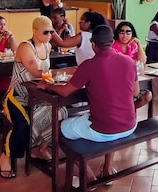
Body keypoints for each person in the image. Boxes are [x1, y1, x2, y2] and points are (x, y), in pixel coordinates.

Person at [52, 25, 148, 183]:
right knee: (106, 117)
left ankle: (87, 174)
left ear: (93, 44)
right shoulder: (129, 62)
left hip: (103, 130)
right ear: (112, 42)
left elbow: (64, 92)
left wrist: (47, 86)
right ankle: (107, 168)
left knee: (58, 128)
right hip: (129, 125)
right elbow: (135, 93)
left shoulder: (89, 65)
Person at [0, 16, 60, 178]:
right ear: (34, 31)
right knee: (23, 124)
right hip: (18, 96)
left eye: (51, 32)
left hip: (39, 95)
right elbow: (37, 71)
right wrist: (61, 73)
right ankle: (6, 156)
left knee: (60, 112)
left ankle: (39, 148)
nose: (49, 35)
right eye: (45, 32)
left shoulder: (47, 46)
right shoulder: (26, 46)